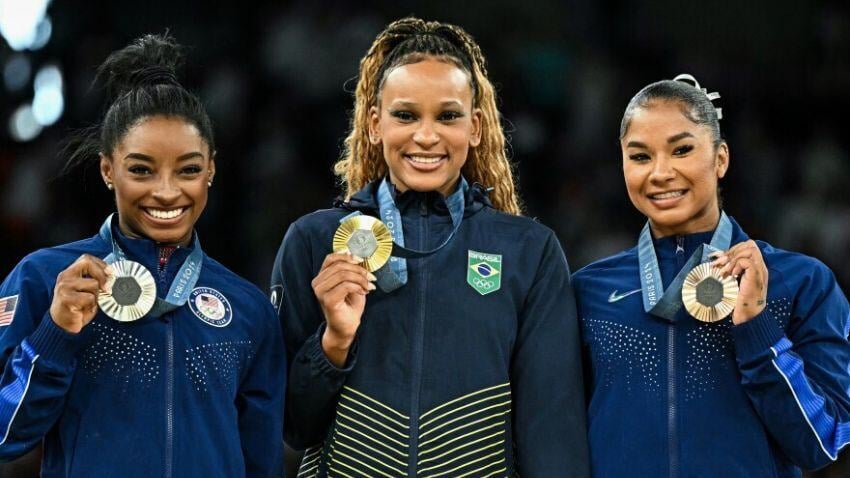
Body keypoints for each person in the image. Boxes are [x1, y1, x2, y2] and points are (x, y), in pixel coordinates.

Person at [271, 17, 589, 478]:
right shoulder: (314, 241)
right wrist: (333, 343)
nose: (426, 136)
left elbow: (552, 434)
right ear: (375, 123)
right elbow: (290, 427)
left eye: (447, 116)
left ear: (476, 126)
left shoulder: (528, 252)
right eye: (405, 115)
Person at [0, 34, 285, 477]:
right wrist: (54, 334)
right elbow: (4, 434)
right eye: (141, 169)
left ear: (211, 169)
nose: (167, 191)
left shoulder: (249, 308)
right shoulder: (45, 279)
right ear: (107, 169)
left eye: (189, 169)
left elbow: (261, 463)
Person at [574, 74, 850, 477]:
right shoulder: (587, 290)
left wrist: (757, 328)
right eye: (640, 156)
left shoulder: (802, 282)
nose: (660, 172)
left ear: (720, 159)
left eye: (682, 150)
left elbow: (823, 440)